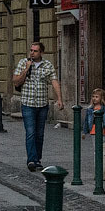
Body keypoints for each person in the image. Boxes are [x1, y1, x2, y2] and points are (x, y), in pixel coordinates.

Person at [11, 41, 64, 172]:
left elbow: (54, 82)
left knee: (39, 134)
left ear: (41, 53)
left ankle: (37, 159)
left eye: (35, 51)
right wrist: (26, 69)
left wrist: (59, 99)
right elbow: (16, 81)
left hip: (42, 104)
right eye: (31, 50)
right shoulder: (23, 63)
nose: (32, 53)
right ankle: (31, 160)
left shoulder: (47, 65)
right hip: (27, 104)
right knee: (30, 132)